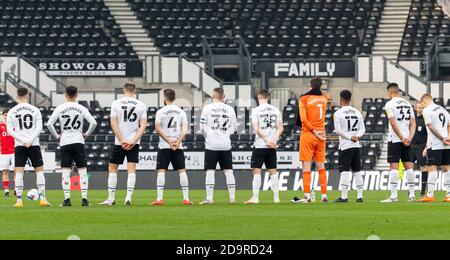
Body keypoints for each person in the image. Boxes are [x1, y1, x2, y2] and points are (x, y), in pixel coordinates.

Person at [46, 86, 97, 207]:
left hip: (65, 142)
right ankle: (84, 199)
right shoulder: (81, 108)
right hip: (79, 141)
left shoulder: (60, 108)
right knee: (82, 171)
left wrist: (57, 136)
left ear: (65, 95)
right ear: (77, 95)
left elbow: (49, 124)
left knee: (65, 172)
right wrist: (86, 134)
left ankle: (67, 200)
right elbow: (94, 122)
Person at [100, 82, 148, 206]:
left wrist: (121, 140)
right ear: (134, 90)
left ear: (123, 90)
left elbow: (113, 124)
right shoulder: (141, 104)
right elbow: (143, 125)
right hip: (134, 142)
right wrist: (134, 140)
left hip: (119, 142)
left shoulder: (116, 103)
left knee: (112, 168)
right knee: (131, 169)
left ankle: (111, 199)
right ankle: (128, 198)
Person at [7, 87, 51, 208]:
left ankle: (19, 201)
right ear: (28, 96)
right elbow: (39, 128)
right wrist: (30, 140)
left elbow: (9, 130)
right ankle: (42, 199)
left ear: (17, 96)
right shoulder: (35, 109)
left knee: (19, 172)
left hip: (20, 145)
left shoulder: (12, 111)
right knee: (39, 171)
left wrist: (22, 140)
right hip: (33, 144)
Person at [151, 89, 193, 206]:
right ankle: (186, 199)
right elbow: (184, 130)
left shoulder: (160, 111)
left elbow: (158, 128)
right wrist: (177, 142)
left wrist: (169, 141)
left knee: (161, 171)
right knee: (182, 171)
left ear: (164, 98)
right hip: (177, 146)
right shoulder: (181, 112)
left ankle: (159, 199)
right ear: (174, 98)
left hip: (165, 145)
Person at [292, 77, 329, 203]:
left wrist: (314, 132)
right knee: (321, 166)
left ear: (310, 85)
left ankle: (307, 195)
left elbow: (303, 120)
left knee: (306, 167)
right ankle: (324, 195)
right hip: (322, 135)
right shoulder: (325, 99)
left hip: (309, 135)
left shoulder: (304, 99)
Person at [245, 89, 284, 204]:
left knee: (257, 172)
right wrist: (272, 140)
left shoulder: (256, 110)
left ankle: (255, 198)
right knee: (273, 172)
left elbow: (256, 128)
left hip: (260, 145)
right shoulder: (276, 110)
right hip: (271, 147)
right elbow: (280, 128)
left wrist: (267, 140)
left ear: (258, 97)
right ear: (268, 97)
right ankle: (276, 198)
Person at [199, 88, 237, 205]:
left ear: (213, 96)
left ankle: (210, 198)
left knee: (210, 171)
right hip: (225, 144)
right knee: (228, 171)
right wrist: (225, 134)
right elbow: (234, 128)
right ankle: (232, 198)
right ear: (223, 96)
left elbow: (202, 126)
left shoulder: (207, 108)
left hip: (211, 145)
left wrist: (210, 134)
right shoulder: (230, 109)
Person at [381, 83, 416, 203]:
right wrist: (409, 138)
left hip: (396, 139)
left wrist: (401, 138)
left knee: (394, 167)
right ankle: (412, 195)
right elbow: (413, 123)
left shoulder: (389, 104)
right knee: (409, 167)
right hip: (408, 139)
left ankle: (394, 196)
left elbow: (393, 123)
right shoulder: (408, 104)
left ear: (390, 92)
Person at [333, 90, 366, 203]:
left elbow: (338, 130)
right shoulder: (357, 112)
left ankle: (344, 196)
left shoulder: (338, 113)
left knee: (344, 171)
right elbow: (363, 129)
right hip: (356, 145)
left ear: (341, 100)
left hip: (345, 146)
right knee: (357, 171)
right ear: (350, 99)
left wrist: (349, 137)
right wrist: (357, 136)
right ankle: (360, 196)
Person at [418, 94, 450, 203]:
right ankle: (449, 195)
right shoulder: (443, 110)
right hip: (446, 144)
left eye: (422, 104)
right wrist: (448, 138)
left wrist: (441, 138)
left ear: (425, 101)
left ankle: (430, 195)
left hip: (436, 144)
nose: (421, 107)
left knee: (432, 168)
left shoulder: (427, 110)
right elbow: (449, 125)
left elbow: (431, 127)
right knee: (446, 168)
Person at [411, 103, 429, 197]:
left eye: (422, 108)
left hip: (421, 146)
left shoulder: (425, 119)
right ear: (416, 108)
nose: (421, 109)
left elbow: (429, 135)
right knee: (409, 167)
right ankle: (411, 190)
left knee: (423, 167)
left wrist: (426, 148)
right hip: (411, 146)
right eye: (419, 108)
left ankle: (423, 190)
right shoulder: (412, 119)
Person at [0, 108, 15, 197]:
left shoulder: (14, 126)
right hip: (4, 152)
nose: (6, 116)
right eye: (5, 114)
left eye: (8, 114)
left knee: (17, 170)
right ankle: (6, 190)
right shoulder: (0, 125)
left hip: (14, 151)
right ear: (3, 115)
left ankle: (16, 189)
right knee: (5, 171)